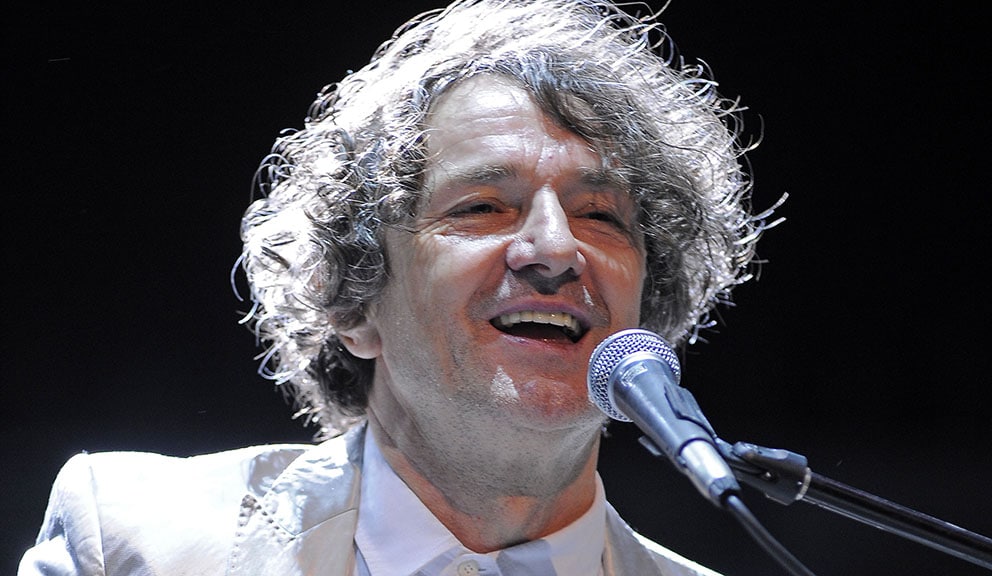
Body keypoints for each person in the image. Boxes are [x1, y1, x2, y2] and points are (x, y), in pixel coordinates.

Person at [19, 0, 778, 574]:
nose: (554, 248)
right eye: (483, 207)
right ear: (355, 302)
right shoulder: (136, 544)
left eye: (600, 216)